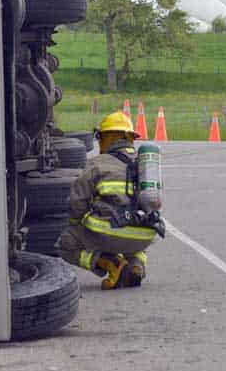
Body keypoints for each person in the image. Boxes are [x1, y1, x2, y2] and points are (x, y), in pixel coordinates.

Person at [55, 111, 164, 290]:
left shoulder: (97, 164)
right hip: (145, 235)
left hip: (110, 233)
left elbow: (77, 202)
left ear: (109, 137)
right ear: (130, 138)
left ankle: (111, 263)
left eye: (101, 138)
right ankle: (136, 265)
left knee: (66, 244)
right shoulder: (145, 165)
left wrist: (75, 225)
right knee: (136, 227)